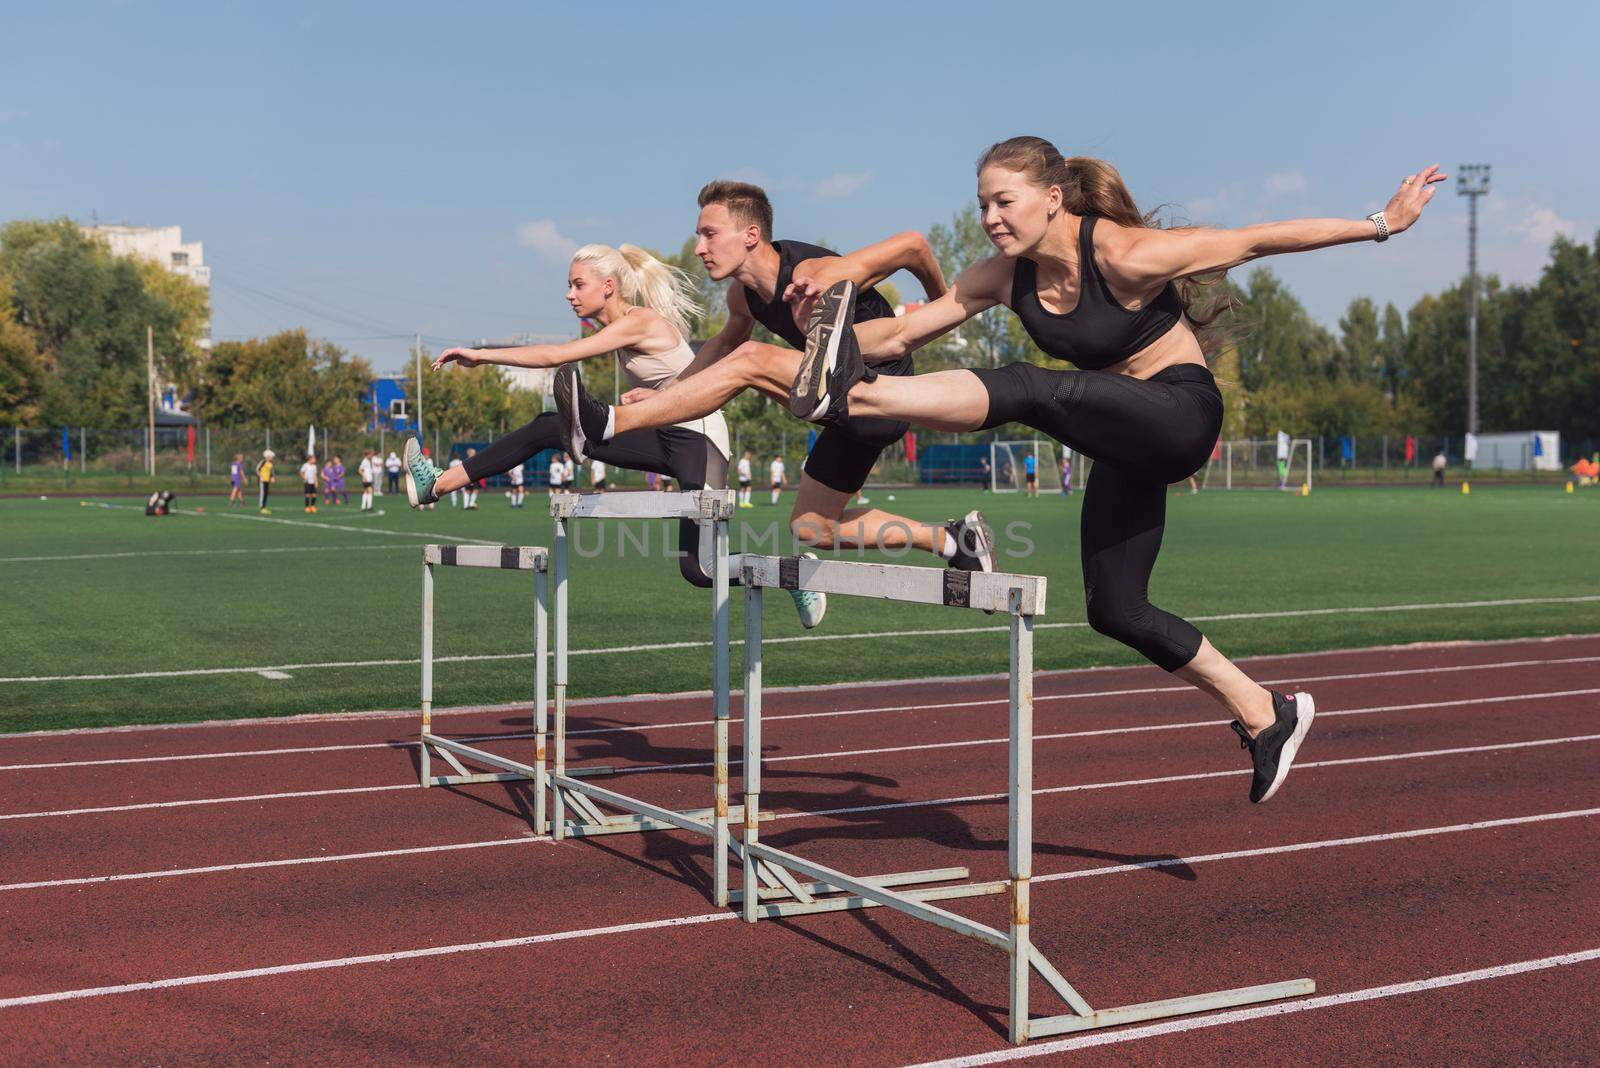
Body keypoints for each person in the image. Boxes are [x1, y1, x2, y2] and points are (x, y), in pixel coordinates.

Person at [783, 138, 1445, 804]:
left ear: (1051, 199)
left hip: (1180, 414)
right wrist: (820, 345)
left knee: (1032, 388)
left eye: (1003, 202)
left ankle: (858, 397)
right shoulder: (1001, 275)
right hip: (1126, 438)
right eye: (981, 204)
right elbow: (900, 336)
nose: (990, 218)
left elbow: (1255, 240)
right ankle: (1266, 712)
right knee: (1115, 607)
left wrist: (1381, 223)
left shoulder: (1125, 253)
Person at [556, 180, 995, 573]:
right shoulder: (743, 297)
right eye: (697, 236)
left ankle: (608, 422)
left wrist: (944, 311)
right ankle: (950, 540)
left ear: (751, 236)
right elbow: (723, 344)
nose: (699, 248)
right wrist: (670, 390)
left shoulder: (811, 274)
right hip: (838, 407)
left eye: (709, 234)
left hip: (882, 391)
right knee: (812, 528)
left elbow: (913, 245)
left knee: (754, 360)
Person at [398, 242, 821, 626]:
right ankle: (437, 483)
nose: (569, 294)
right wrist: (660, 393)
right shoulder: (622, 330)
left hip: (699, 438)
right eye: (568, 285)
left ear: (608, 286)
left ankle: (793, 573)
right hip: (659, 432)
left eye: (577, 285)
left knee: (701, 570)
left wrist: (481, 355)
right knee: (549, 426)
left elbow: (556, 356)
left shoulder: (639, 322)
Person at [256, 449, 275, 514]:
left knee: (266, 494)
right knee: (262, 494)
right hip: (262, 480)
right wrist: (260, 477)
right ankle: (262, 508)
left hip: (267, 480)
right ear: (267, 456)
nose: (272, 458)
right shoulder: (263, 462)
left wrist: (272, 477)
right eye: (271, 456)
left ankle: (264, 507)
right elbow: (257, 469)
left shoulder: (271, 463)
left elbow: (271, 471)